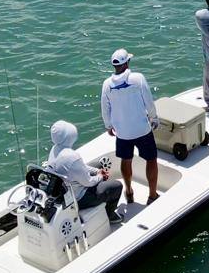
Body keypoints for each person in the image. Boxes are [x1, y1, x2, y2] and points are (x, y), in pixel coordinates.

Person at [100, 48, 160, 205]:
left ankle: (129, 191)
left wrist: (108, 126)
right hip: (142, 130)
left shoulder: (107, 84)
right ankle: (152, 195)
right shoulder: (138, 78)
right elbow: (148, 101)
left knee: (126, 160)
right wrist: (154, 118)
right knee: (151, 160)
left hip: (122, 133)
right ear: (127, 63)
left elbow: (105, 108)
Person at [45, 120, 124, 223]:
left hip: (64, 193)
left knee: (97, 165)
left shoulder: (55, 149)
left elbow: (80, 167)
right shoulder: (72, 157)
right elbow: (89, 182)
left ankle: (101, 185)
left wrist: (97, 171)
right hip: (79, 199)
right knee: (117, 186)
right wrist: (101, 176)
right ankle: (110, 215)